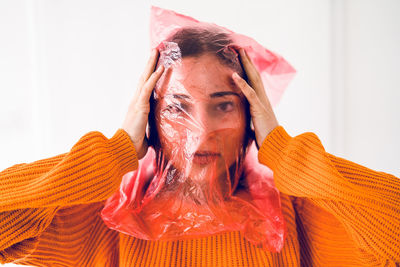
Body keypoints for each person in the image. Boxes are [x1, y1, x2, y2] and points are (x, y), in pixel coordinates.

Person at [0, 27, 399, 267]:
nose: (202, 130)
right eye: (178, 107)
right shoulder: (102, 219)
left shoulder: (297, 215)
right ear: (150, 119)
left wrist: (286, 152)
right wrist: (113, 152)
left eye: (223, 104)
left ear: (252, 117)